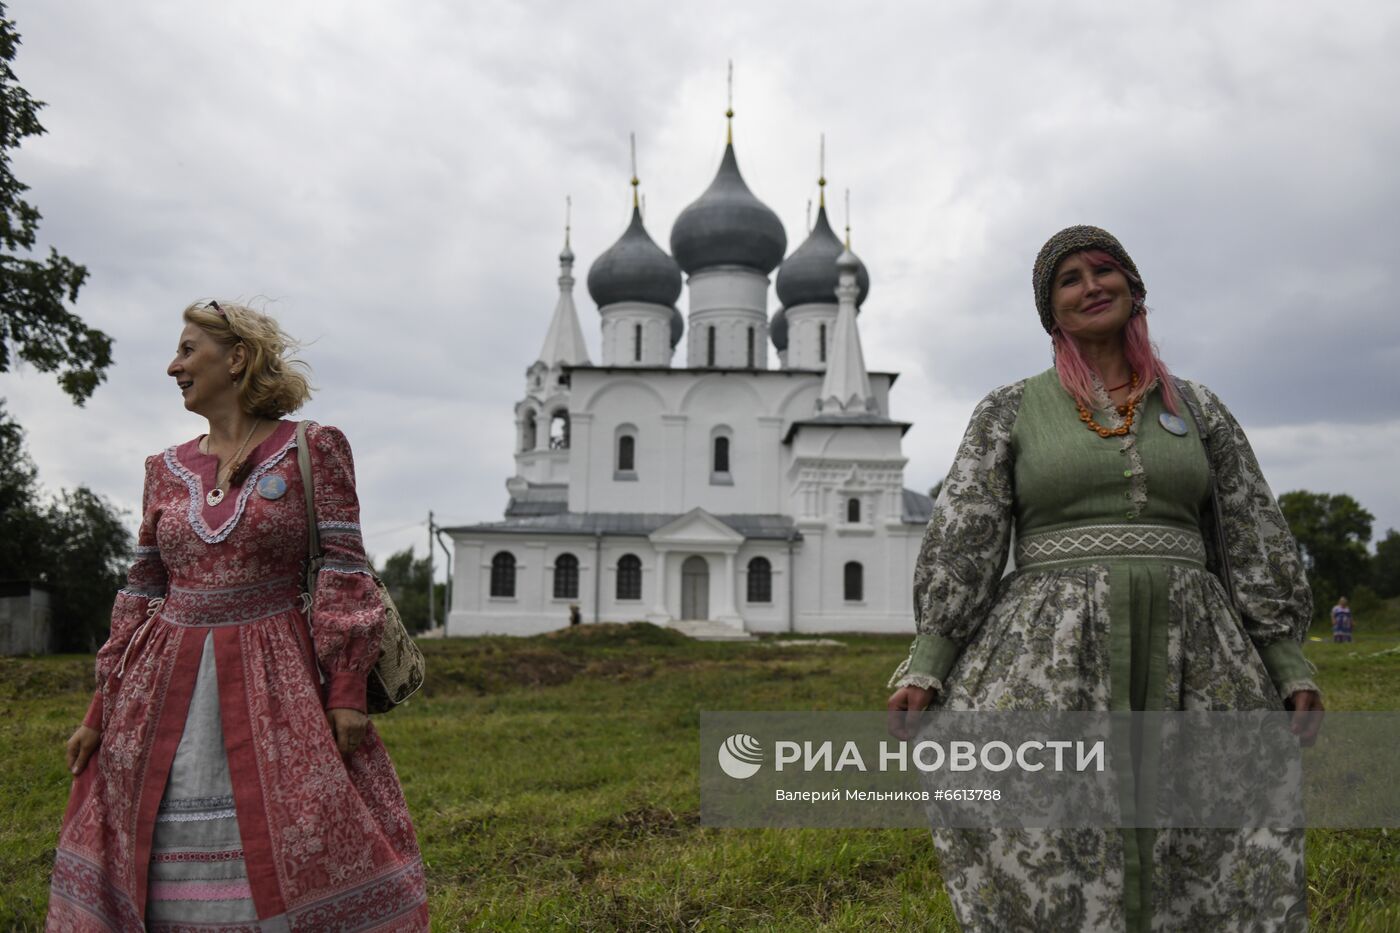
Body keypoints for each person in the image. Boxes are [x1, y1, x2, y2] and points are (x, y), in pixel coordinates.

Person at [886, 226, 1323, 932]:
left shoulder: (1197, 409)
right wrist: (930, 660)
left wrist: (1287, 661)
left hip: (1197, 653)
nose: (1091, 286)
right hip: (1051, 654)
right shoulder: (1009, 411)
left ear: (1133, 288)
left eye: (1105, 270)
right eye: (1070, 279)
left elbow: (1250, 529)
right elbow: (966, 533)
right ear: (1050, 311)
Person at [48, 301, 428, 931]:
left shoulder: (314, 449)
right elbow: (142, 592)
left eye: (188, 350)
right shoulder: (162, 471)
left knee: (303, 822)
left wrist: (347, 691)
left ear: (238, 357)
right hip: (160, 685)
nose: (174, 366)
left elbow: (344, 570)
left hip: (283, 684)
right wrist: (99, 711)